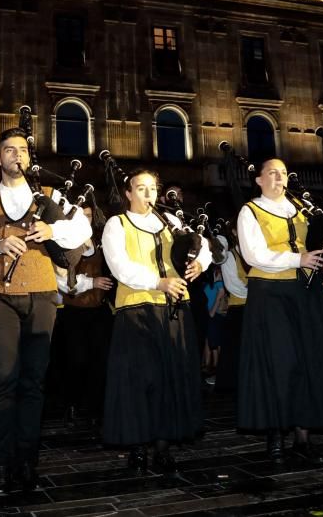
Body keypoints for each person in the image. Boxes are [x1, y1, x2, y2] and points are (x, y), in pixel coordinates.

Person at [0, 128, 91, 494]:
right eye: (8, 150)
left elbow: (80, 230)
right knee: (2, 380)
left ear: (28, 158)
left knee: (34, 383)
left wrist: (52, 229)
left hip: (43, 295)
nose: (16, 155)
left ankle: (27, 462)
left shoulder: (50, 194)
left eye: (21, 150)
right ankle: (0, 465)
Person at [237, 158, 323, 463]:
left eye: (283, 173)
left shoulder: (302, 207)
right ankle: (275, 436)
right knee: (278, 364)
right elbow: (253, 254)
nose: (279, 177)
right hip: (270, 294)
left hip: (306, 292)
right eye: (272, 172)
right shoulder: (250, 210)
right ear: (258, 180)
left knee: (309, 361)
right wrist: (296, 259)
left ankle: (303, 437)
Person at [101, 169, 210, 474]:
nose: (147, 195)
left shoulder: (172, 222)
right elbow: (120, 268)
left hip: (174, 309)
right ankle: (138, 446)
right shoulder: (116, 224)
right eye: (140, 188)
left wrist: (200, 263)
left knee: (169, 378)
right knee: (139, 381)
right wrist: (158, 282)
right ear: (128, 193)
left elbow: (203, 248)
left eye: (152, 189)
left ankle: (163, 446)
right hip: (136, 310)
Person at [55, 207, 114, 426]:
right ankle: (71, 405)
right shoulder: (63, 243)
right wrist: (91, 283)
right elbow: (62, 282)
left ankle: (95, 408)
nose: (85, 220)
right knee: (75, 360)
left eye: (89, 215)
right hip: (74, 312)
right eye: (81, 215)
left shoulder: (101, 242)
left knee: (99, 361)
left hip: (99, 311)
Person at [213, 231, 247, 394]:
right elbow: (235, 286)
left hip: (255, 307)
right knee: (236, 351)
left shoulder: (252, 251)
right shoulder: (230, 255)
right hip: (239, 309)